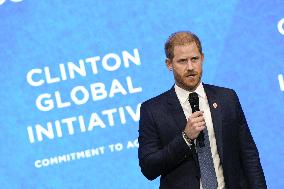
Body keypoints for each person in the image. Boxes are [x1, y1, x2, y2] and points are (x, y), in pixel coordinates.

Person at [138, 31, 266, 189]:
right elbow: (149, 168)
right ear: (169, 64)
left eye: (194, 59)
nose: (190, 67)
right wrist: (185, 138)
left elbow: (248, 154)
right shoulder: (152, 110)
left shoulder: (227, 98)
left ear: (202, 58)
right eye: (182, 61)